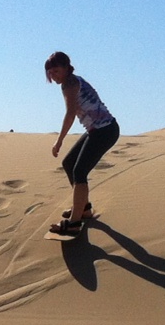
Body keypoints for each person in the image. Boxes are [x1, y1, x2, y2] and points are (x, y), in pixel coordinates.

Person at [44, 52, 119, 237]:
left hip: (105, 130)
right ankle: (83, 209)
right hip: (97, 130)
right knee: (69, 164)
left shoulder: (70, 83)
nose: (54, 75)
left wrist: (59, 140)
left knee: (79, 171)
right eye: (50, 72)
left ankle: (74, 223)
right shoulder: (71, 81)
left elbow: (70, 114)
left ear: (66, 67)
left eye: (56, 70)